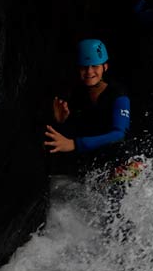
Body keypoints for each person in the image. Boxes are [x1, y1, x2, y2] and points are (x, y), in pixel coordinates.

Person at [44, 38, 131, 176]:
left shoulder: (118, 95)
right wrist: (61, 122)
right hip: (93, 168)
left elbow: (119, 134)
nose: (89, 72)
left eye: (94, 66)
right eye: (84, 67)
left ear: (105, 67)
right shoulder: (76, 95)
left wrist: (75, 144)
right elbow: (75, 133)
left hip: (120, 164)